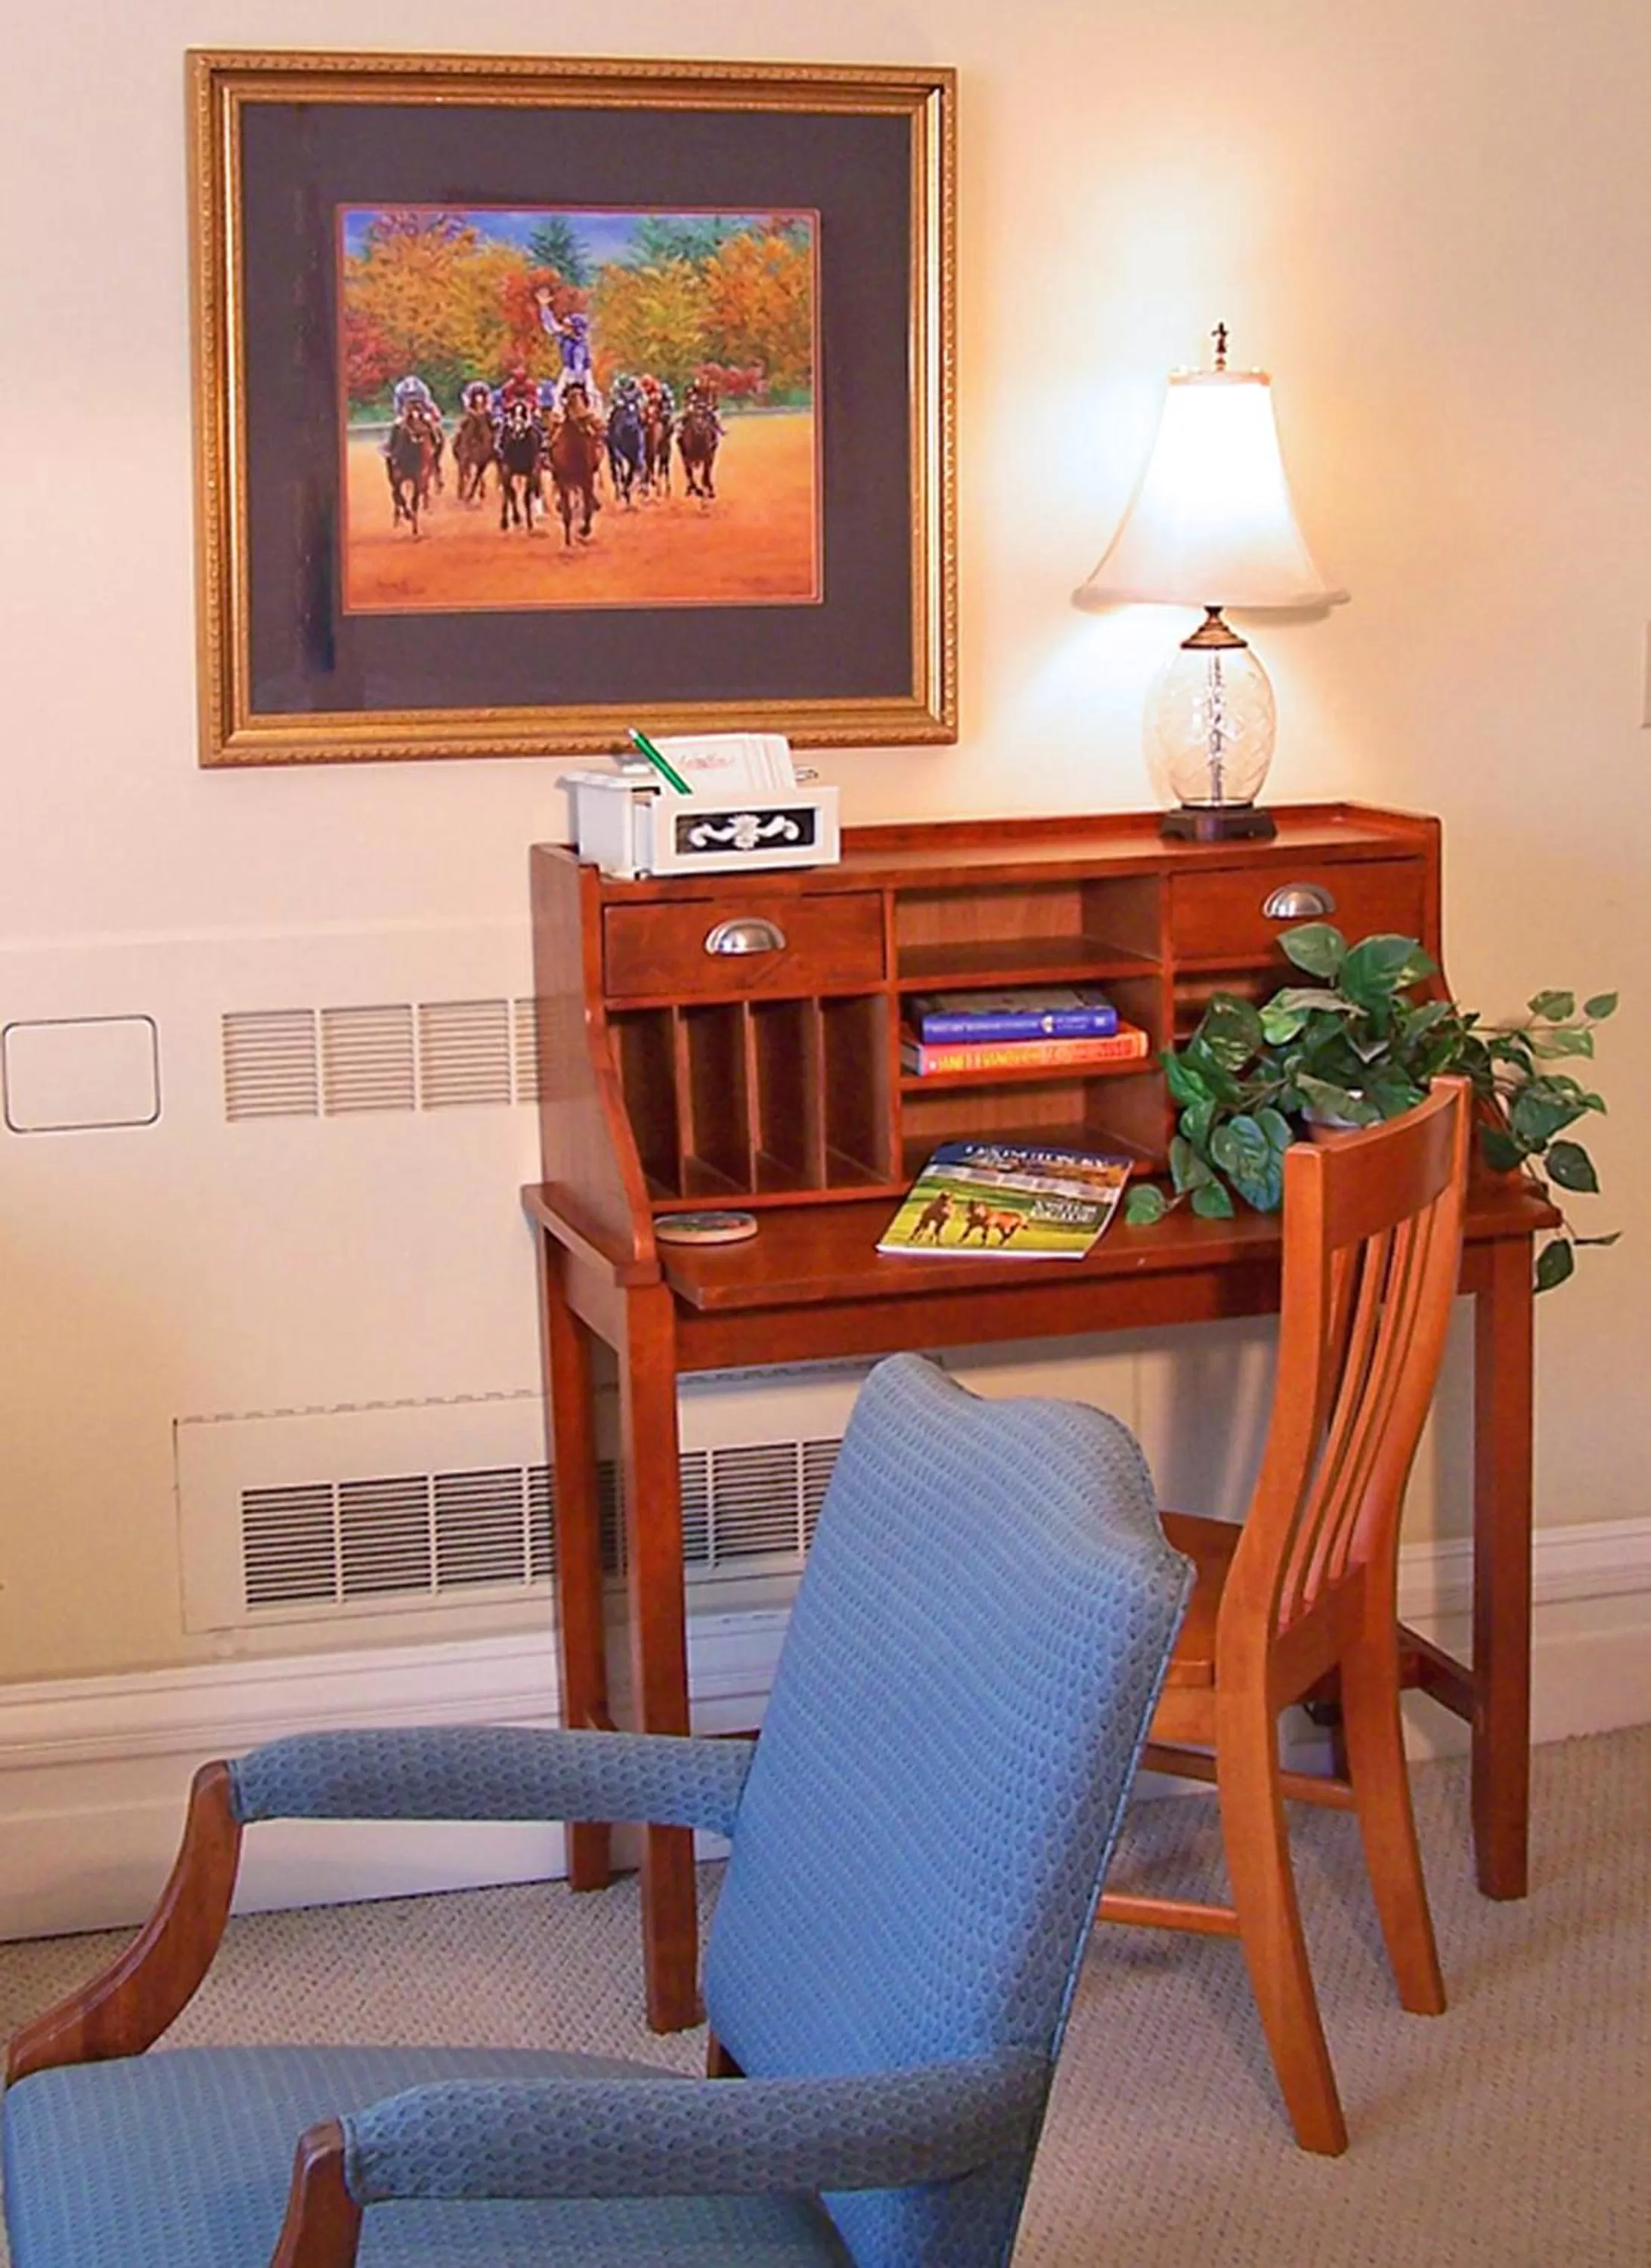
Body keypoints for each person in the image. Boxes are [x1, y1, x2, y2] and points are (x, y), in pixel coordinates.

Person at [534, 290, 601, 413]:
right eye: (565, 325)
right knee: (557, 393)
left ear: (575, 329)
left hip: (584, 372)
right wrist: (544, 307)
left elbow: (579, 363)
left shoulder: (581, 344)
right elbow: (551, 326)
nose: (564, 328)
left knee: (592, 393)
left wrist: (576, 380)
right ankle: (557, 416)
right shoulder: (563, 337)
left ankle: (596, 418)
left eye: (568, 326)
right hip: (568, 370)